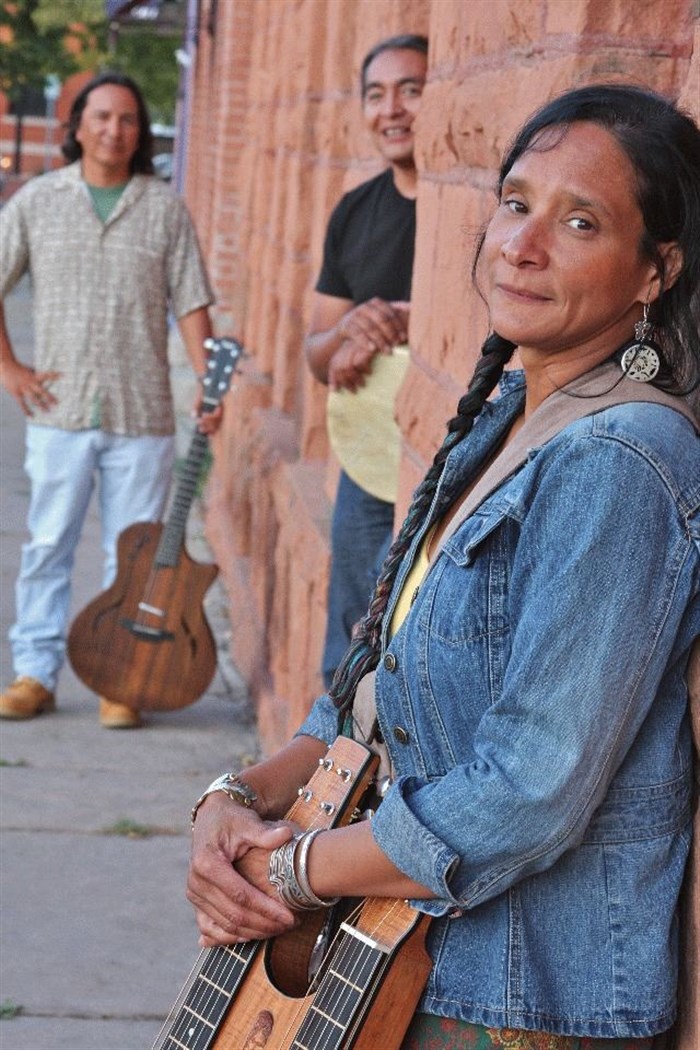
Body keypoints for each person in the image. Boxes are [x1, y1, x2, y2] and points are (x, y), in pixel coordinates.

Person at [186, 83, 700, 1048]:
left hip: (513, 998)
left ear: (654, 272)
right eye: (516, 202)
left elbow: (531, 785)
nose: (522, 245)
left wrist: (289, 870)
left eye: (579, 222)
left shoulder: (621, 460)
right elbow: (369, 695)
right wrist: (234, 802)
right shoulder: (506, 420)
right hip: (405, 954)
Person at [0, 72, 220, 729]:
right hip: (60, 409)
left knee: (136, 560)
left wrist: (209, 383)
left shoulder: (164, 209)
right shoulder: (38, 201)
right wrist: (8, 367)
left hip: (141, 411)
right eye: (101, 117)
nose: (113, 130)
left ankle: (120, 680)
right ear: (77, 125)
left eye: (127, 119)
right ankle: (34, 672)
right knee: (48, 545)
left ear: (140, 131)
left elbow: (192, 303)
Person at [305, 34, 428, 688]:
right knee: (350, 635)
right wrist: (351, 329)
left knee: (416, 641)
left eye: (412, 90)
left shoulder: (479, 206)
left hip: (444, 460)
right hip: (367, 458)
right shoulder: (356, 211)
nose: (392, 110)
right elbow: (315, 352)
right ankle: (332, 750)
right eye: (376, 95)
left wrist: (413, 320)